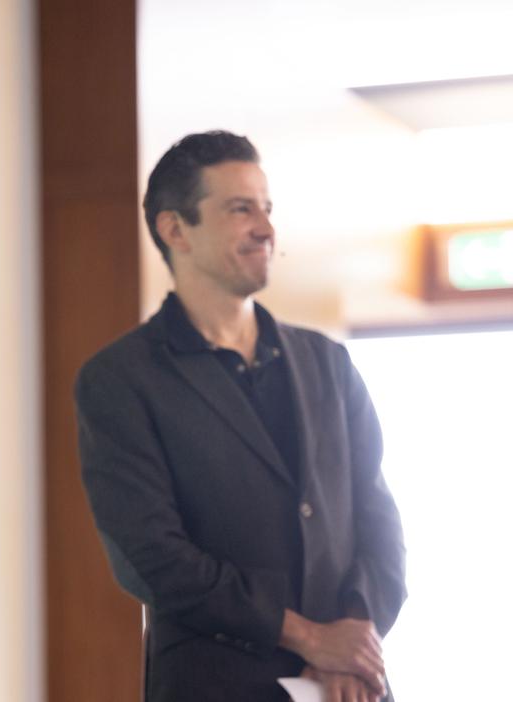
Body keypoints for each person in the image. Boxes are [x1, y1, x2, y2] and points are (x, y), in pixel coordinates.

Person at [74, 131, 406, 702]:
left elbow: (379, 523)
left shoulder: (327, 362)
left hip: (349, 689)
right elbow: (153, 560)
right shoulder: (120, 380)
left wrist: (349, 641)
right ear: (175, 229)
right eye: (240, 209)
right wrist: (307, 638)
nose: (266, 228)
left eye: (267, 208)